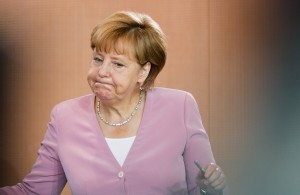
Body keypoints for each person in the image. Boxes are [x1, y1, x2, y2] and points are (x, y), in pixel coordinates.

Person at [0, 11, 227, 195]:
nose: (102, 72)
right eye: (98, 59)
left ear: (143, 71)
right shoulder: (65, 117)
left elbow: (204, 186)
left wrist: (210, 187)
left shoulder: (180, 107)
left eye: (118, 64)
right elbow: (35, 192)